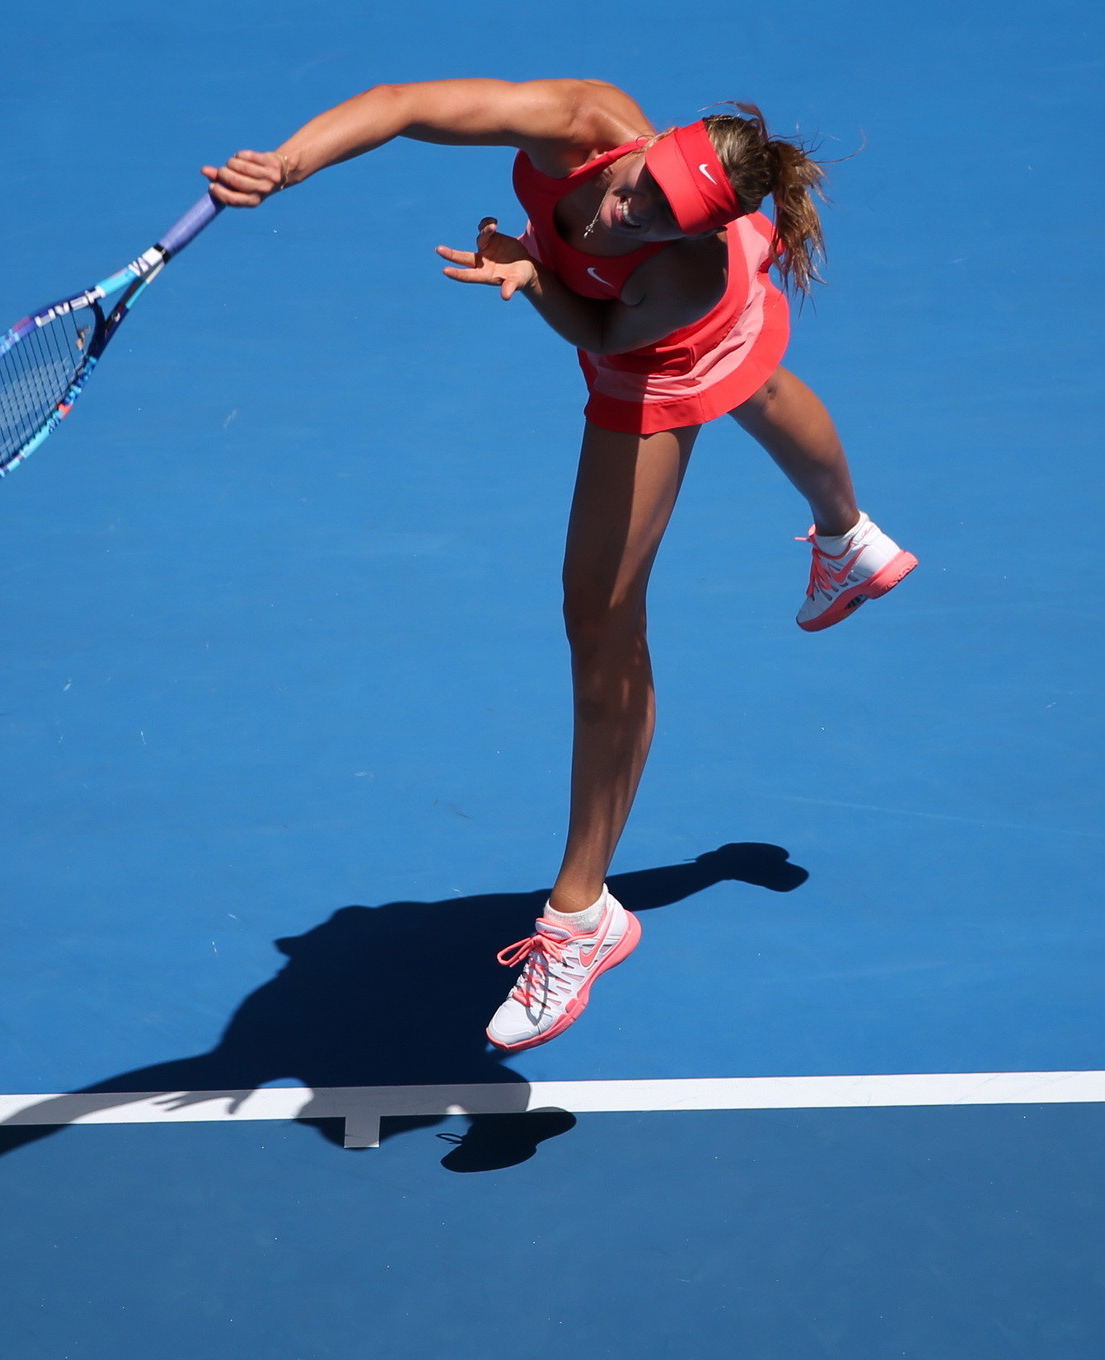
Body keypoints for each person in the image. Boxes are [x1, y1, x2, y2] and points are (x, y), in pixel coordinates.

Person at [202, 78, 915, 1054]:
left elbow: (603, 337)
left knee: (602, 621)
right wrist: (288, 162)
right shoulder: (579, 119)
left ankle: (582, 916)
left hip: (651, 350)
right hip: (660, 313)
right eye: (639, 186)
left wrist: (538, 280)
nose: (628, 211)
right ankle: (847, 536)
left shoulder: (681, 271)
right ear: (645, 141)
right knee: (760, 381)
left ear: (696, 230)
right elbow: (406, 105)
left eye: (662, 217)